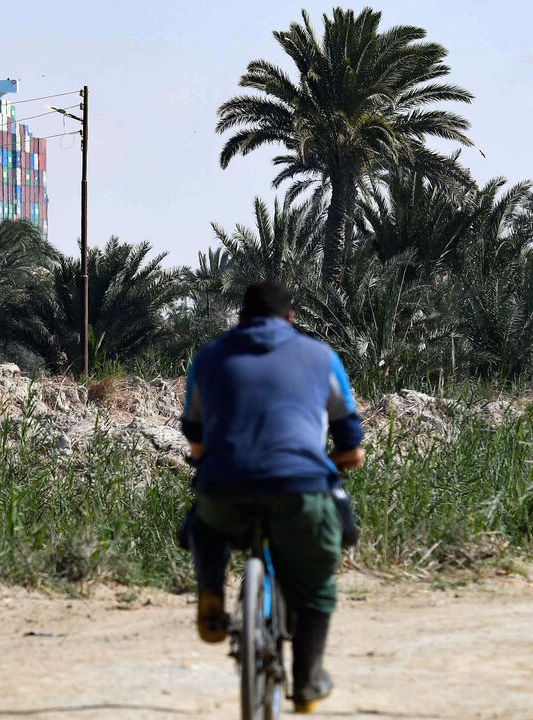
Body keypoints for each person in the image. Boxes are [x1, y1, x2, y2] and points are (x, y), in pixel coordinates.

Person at [179, 279, 364, 714]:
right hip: (299, 489)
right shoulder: (322, 358)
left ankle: (209, 590)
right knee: (317, 582)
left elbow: (196, 441)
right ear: (291, 319)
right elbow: (352, 447)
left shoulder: (207, 358)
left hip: (225, 486)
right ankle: (307, 682)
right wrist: (324, 464)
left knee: (204, 522)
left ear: (239, 319)